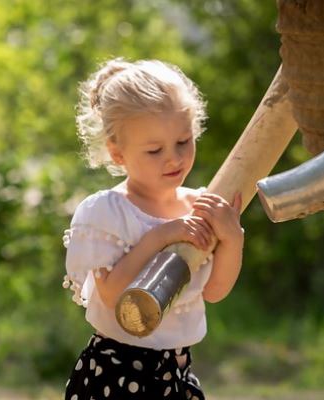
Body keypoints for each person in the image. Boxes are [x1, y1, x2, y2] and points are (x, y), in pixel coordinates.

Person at [62, 58, 243, 400]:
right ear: (117, 153)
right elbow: (115, 295)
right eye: (154, 150)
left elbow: (215, 292)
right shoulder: (109, 212)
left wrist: (233, 238)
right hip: (116, 373)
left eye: (183, 141)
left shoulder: (201, 206)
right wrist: (161, 237)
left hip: (176, 372)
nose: (173, 158)